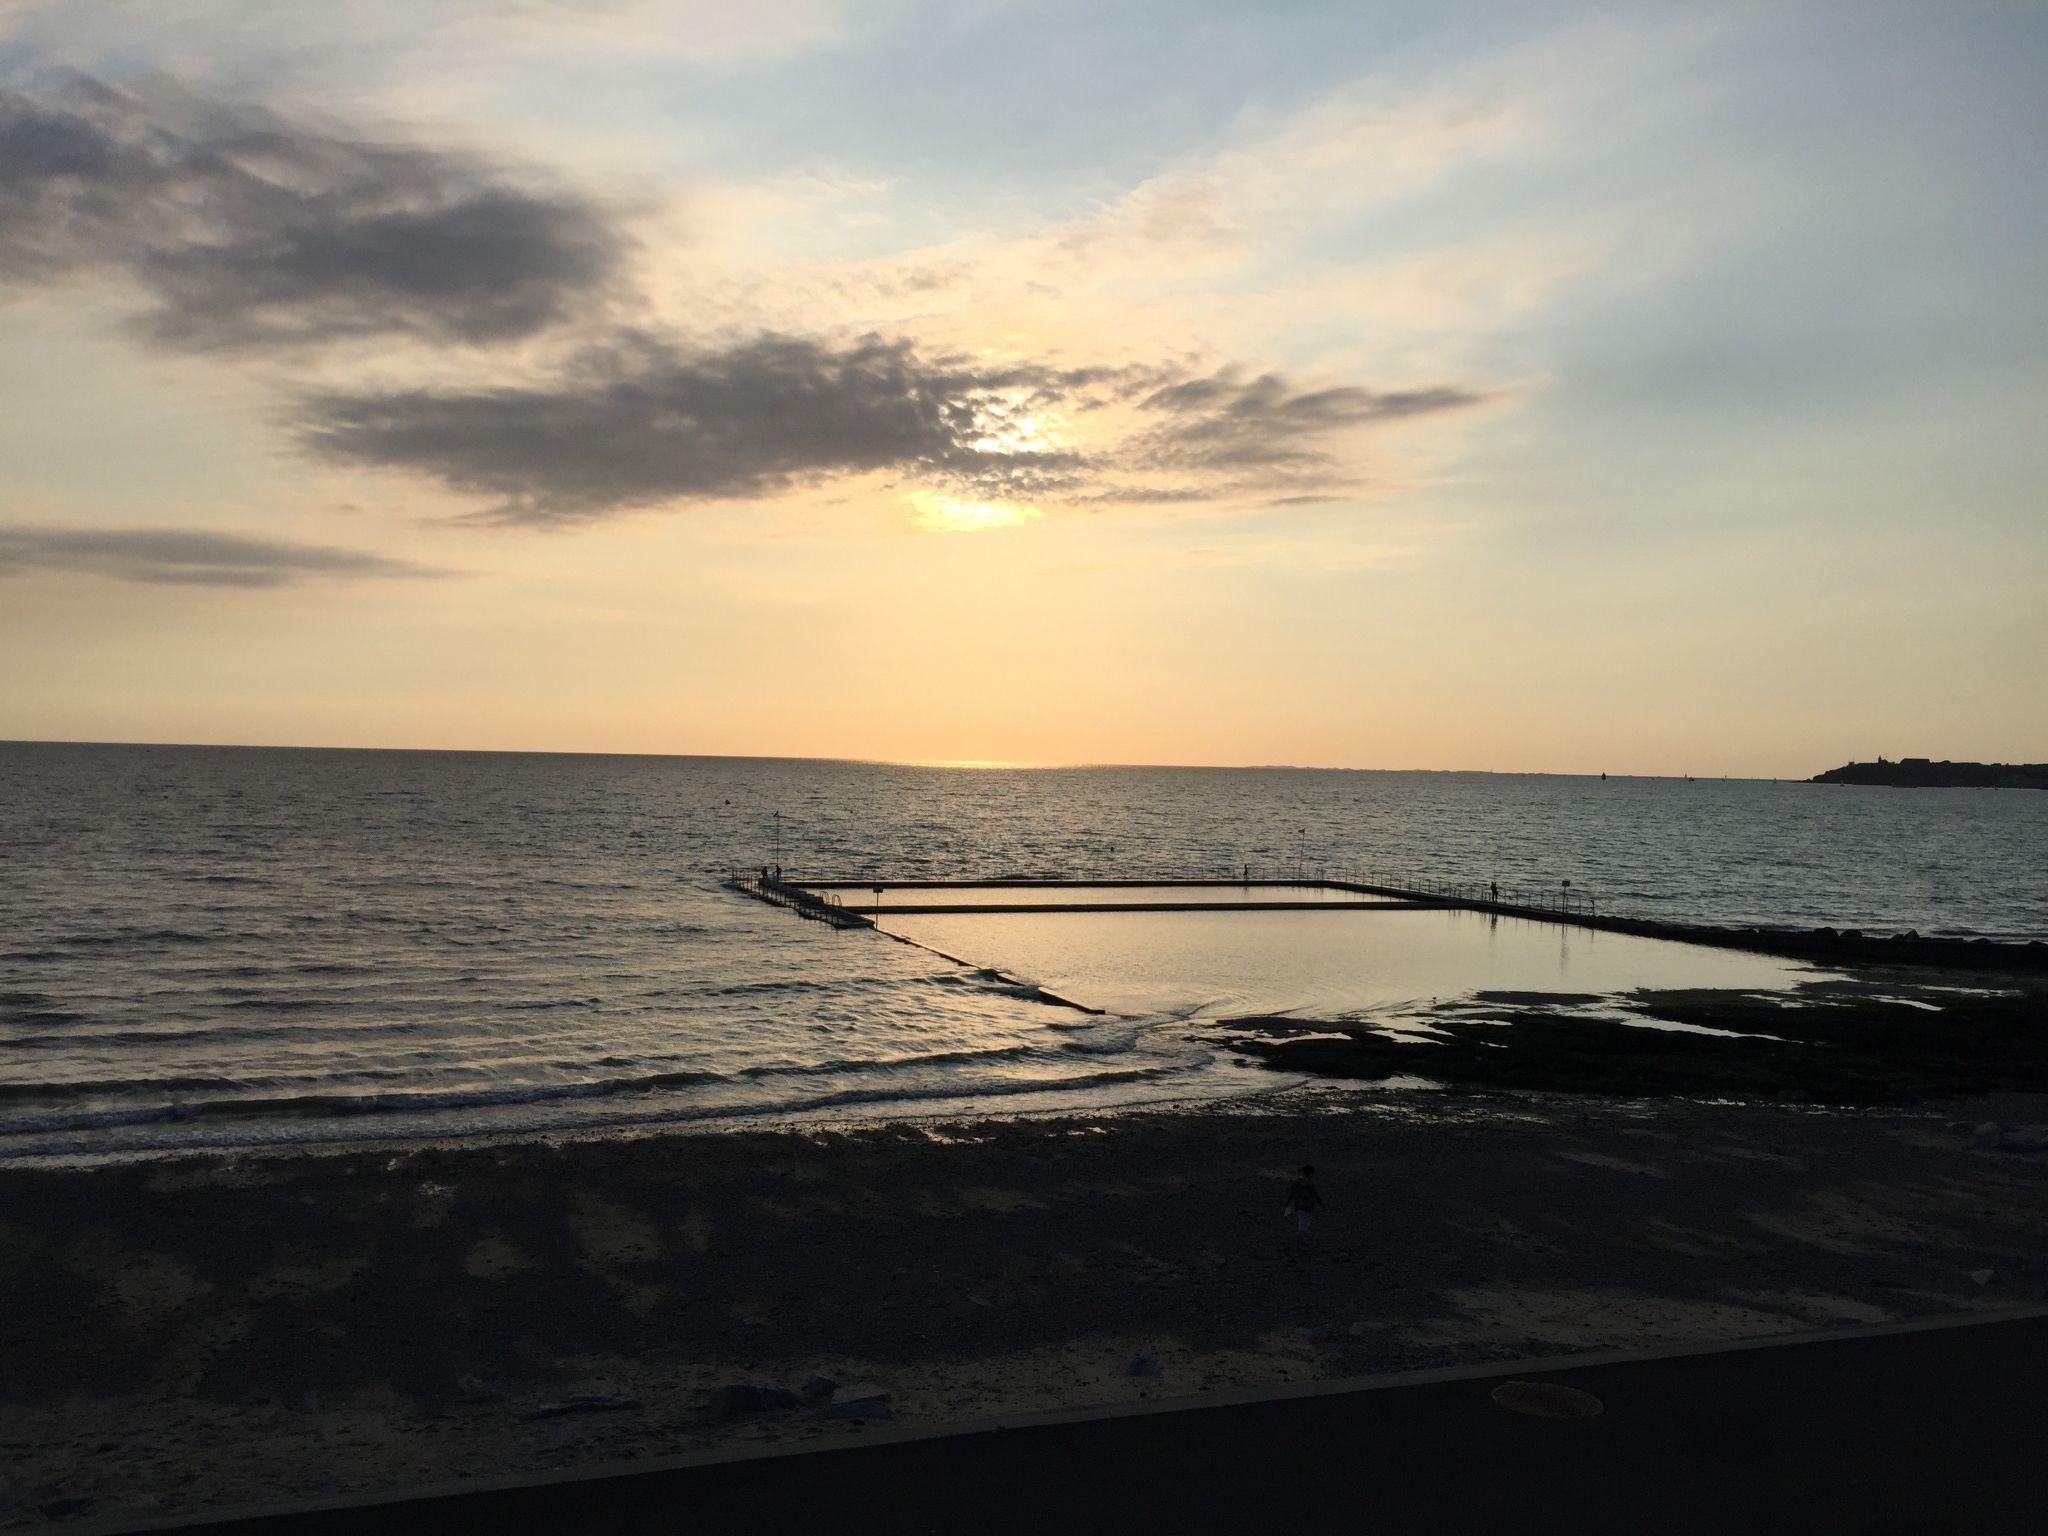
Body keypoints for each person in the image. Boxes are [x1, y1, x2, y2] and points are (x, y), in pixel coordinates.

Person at [1282, 1164, 1321, 1240]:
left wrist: (1288, 1203)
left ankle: (1288, 1214)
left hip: (1298, 1205)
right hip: (1307, 1207)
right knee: (1303, 1225)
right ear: (1311, 1174)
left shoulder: (1297, 1181)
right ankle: (1299, 1243)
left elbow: (1290, 1192)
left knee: (1302, 1222)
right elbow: (1314, 1196)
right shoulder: (1311, 1184)